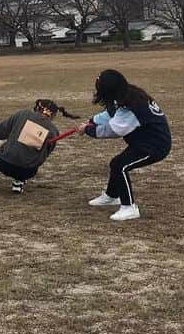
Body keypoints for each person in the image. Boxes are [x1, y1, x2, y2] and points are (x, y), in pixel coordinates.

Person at [73, 69, 172, 222]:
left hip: (155, 145)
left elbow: (113, 130)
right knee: (116, 163)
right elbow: (110, 114)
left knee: (121, 166)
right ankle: (112, 196)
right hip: (141, 141)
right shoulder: (123, 95)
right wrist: (92, 121)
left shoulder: (132, 104)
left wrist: (88, 130)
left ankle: (129, 207)